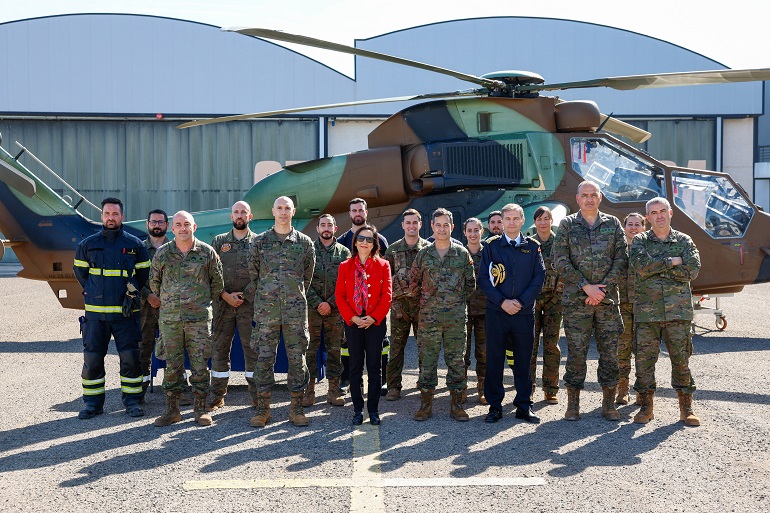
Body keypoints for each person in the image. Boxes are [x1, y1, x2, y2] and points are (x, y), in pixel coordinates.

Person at [552, 181, 627, 421]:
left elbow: (621, 258)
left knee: (610, 354)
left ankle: (609, 404)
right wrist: (586, 287)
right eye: (584, 195)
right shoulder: (567, 224)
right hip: (577, 302)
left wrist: (601, 290)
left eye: (593, 195)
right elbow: (560, 259)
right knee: (576, 353)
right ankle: (573, 405)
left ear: (600, 197)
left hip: (606, 301)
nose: (589, 199)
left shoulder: (613, 224)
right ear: (577, 198)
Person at [73, 197, 151, 419]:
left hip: (125, 315)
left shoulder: (135, 245)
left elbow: (143, 276)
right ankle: (93, 404)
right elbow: (82, 275)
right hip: (96, 315)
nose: (111, 217)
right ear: (102, 216)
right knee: (93, 360)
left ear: (122, 217)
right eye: (107, 214)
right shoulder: (87, 245)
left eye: (115, 214)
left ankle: (133, 402)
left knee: (130, 359)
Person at [630, 197, 701, 426]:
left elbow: (693, 270)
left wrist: (657, 268)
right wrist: (673, 262)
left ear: (671, 213)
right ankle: (646, 407)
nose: (659, 216)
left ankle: (686, 407)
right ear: (648, 217)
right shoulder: (640, 240)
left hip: (678, 313)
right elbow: (641, 267)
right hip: (646, 313)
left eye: (663, 211)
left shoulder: (684, 240)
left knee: (681, 360)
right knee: (644, 361)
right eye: (653, 212)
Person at [150, 211, 224, 427]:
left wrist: (197, 302)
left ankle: (200, 410)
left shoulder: (207, 253)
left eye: (187, 224)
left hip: (198, 320)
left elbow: (217, 284)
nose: (183, 228)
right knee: (173, 366)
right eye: (178, 225)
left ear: (194, 227)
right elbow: (155, 283)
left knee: (200, 366)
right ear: (172, 229)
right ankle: (171, 410)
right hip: (171, 319)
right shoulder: (163, 254)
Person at [248, 196, 315, 428]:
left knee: (297, 361)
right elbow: (253, 275)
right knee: (264, 360)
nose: (283, 212)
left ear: (293, 211)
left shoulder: (305, 243)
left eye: (287, 208)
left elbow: (307, 278)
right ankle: (262, 409)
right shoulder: (259, 242)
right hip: (266, 314)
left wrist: (293, 296)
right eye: (280, 208)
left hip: (295, 313)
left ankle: (296, 409)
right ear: (273, 211)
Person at [479, 204, 545, 423]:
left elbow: (539, 278)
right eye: (507, 218)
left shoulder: (532, 247)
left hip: (523, 313)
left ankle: (524, 405)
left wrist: (521, 302)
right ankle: (495, 406)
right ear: (503, 221)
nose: (511, 222)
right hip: (497, 312)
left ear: (522, 220)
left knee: (524, 360)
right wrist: (502, 302)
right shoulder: (491, 246)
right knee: (495, 359)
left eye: (516, 218)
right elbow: (484, 280)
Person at [409, 208, 476, 421]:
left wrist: (454, 303)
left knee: (456, 361)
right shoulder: (423, 254)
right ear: (432, 227)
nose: (442, 228)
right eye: (438, 225)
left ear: (452, 228)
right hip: (429, 320)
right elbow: (414, 284)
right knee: (427, 362)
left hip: (455, 320)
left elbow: (470, 285)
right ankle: (425, 405)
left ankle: (456, 405)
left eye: (445, 225)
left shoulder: (462, 254)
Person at [336, 225, 393, 425]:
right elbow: (340, 296)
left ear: (375, 243)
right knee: (355, 367)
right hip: (353, 323)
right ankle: (358, 410)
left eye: (369, 239)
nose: (364, 242)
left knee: (374, 367)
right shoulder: (345, 266)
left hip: (375, 323)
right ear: (355, 241)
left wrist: (374, 318)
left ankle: (374, 410)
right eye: (361, 238)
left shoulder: (383, 265)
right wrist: (352, 318)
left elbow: (387, 296)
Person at [208, 201, 259, 411]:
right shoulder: (219, 241)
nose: (240, 215)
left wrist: (244, 295)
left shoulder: (258, 242)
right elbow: (212, 273)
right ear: (231, 217)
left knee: (252, 351)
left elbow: (262, 274)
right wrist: (225, 296)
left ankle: (257, 397)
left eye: (243, 212)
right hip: (223, 305)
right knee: (219, 350)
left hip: (250, 306)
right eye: (236, 212)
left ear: (250, 216)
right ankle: (217, 396)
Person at [337, 198, 389, 395]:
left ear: (366, 213)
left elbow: (386, 273)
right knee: (347, 345)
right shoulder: (342, 241)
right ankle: (346, 378)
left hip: (375, 309)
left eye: (361, 210)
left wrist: (376, 313)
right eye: (354, 210)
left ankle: (382, 380)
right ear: (349, 214)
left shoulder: (380, 240)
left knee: (381, 345)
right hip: (351, 309)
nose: (357, 213)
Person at [383, 208, 429, 401]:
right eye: (408, 223)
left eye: (414, 222)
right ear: (402, 225)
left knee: (425, 347)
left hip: (422, 307)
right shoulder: (393, 250)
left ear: (420, 224)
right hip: (399, 307)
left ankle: (424, 381)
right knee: (396, 347)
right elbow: (385, 279)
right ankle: (394, 386)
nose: (411, 226)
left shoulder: (428, 249)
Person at [305, 214, 350, 407]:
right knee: (310, 350)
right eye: (322, 225)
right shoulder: (308, 251)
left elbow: (347, 282)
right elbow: (302, 280)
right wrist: (317, 303)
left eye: (329, 225)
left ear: (335, 229)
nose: (326, 228)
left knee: (335, 350)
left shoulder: (344, 253)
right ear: (317, 229)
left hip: (336, 309)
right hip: (312, 309)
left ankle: (333, 391)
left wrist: (330, 304)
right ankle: (310, 391)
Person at [529, 206, 563, 405]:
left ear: (551, 221)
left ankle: (551, 389)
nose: (543, 222)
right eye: (539, 219)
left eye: (546, 218)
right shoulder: (529, 243)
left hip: (554, 300)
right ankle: (529, 388)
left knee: (551, 345)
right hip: (532, 300)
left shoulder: (560, 242)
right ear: (535, 222)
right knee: (530, 346)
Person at [138, 209, 169, 403]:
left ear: (167, 225)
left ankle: (175, 390)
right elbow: (130, 278)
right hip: (145, 308)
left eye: (160, 222)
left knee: (173, 347)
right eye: (153, 222)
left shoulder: (175, 248)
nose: (157, 225)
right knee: (143, 348)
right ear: (147, 224)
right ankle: (138, 391)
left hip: (169, 307)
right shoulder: (138, 249)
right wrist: (148, 295)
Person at [616, 212, 646, 405]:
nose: (633, 228)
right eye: (630, 224)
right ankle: (622, 390)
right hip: (621, 305)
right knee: (622, 349)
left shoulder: (649, 248)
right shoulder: (617, 249)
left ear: (644, 228)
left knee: (643, 351)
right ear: (624, 227)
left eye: (637, 224)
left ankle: (643, 392)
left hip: (644, 307)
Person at [462, 217, 488, 405]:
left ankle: (483, 388)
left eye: (476, 230)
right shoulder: (459, 254)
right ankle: (461, 388)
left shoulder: (490, 253)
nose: (473, 234)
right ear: (464, 233)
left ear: (482, 232)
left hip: (486, 311)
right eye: (469, 231)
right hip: (463, 310)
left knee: (484, 353)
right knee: (462, 353)